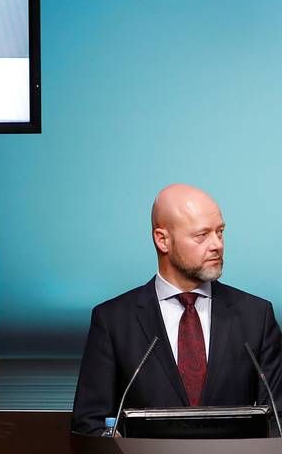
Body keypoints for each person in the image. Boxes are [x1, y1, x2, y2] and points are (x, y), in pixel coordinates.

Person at [71, 183, 282, 435]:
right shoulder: (112, 321)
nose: (217, 245)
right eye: (202, 235)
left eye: (220, 232)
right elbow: (88, 425)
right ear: (163, 240)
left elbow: (277, 420)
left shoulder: (256, 316)